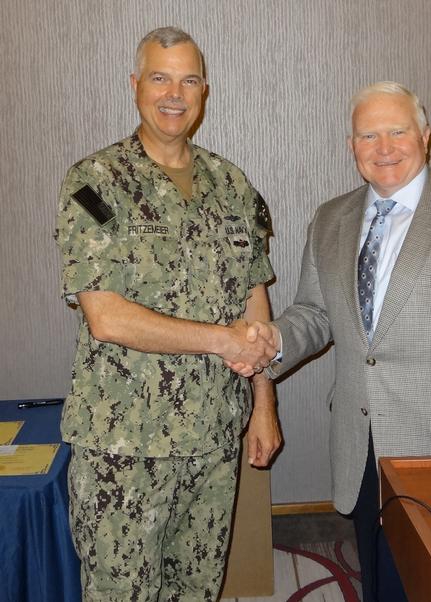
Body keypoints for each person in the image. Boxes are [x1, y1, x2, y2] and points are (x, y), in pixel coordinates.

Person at [238, 82, 431, 601]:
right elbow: (315, 314)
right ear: (351, 146)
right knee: (381, 582)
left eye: (397, 131)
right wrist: (271, 341)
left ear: (426, 137)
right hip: (362, 452)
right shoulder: (330, 219)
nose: (384, 147)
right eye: (368, 135)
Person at [55, 27, 281, 602]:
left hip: (212, 439)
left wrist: (264, 405)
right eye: (159, 77)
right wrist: (221, 342)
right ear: (135, 86)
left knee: (197, 590)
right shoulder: (95, 183)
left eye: (188, 80)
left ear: (205, 91)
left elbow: (253, 298)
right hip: (124, 446)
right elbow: (106, 315)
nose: (173, 93)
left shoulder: (232, 185)